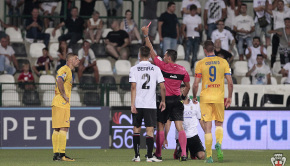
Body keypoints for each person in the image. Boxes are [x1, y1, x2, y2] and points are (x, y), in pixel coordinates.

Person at [142, 26, 191, 161]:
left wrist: (146, 36)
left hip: (164, 100)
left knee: (161, 126)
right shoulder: (183, 70)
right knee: (180, 127)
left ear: (169, 58)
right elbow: (187, 86)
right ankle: (184, 154)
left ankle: (158, 154)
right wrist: (182, 96)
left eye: (164, 56)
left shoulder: (162, 66)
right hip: (177, 100)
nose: (163, 57)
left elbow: (151, 51)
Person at [192, 40, 233, 163]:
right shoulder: (223, 62)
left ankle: (209, 157)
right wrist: (229, 97)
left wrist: (194, 96)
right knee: (219, 124)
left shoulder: (200, 63)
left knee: (208, 127)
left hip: (205, 98)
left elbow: (195, 84)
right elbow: (230, 83)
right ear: (214, 49)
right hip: (218, 97)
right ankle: (219, 143)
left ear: (205, 50)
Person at [130, 46, 166, 162]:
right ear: (150, 55)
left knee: (136, 129)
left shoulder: (134, 69)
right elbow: (162, 87)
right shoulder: (156, 69)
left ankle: (137, 156)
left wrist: (132, 104)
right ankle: (150, 156)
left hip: (138, 104)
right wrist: (163, 101)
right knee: (149, 130)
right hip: (150, 104)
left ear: (139, 55)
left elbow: (133, 87)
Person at [51, 53, 80, 161]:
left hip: (57, 101)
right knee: (64, 127)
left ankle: (56, 154)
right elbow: (59, 80)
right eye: (76, 59)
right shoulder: (66, 69)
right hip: (62, 102)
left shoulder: (67, 70)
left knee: (57, 128)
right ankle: (62, 154)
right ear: (70, 60)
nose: (79, 60)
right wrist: (64, 94)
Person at [170, 84, 205, 160]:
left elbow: (200, 119)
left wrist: (206, 131)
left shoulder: (195, 104)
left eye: (184, 89)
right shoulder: (175, 105)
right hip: (181, 135)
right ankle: (178, 150)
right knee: (181, 156)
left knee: (202, 156)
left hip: (193, 135)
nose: (183, 91)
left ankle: (193, 153)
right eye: (181, 90)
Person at [268, 0, 290, 67]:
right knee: (274, 52)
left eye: (281, 4)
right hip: (277, 35)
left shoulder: (287, 13)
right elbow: (266, 10)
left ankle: (287, 67)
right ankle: (272, 66)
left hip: (285, 35)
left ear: (284, 5)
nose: (280, 5)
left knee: (286, 52)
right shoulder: (275, 13)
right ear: (277, 5)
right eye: (278, 4)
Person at [181, 4, 202, 69]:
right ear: (190, 11)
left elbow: (201, 28)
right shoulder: (186, 18)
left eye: (194, 11)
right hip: (189, 37)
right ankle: (186, 67)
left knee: (195, 54)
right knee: (187, 53)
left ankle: (193, 68)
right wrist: (185, 36)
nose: (193, 12)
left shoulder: (198, 18)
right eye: (192, 11)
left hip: (196, 37)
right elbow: (182, 28)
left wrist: (198, 29)